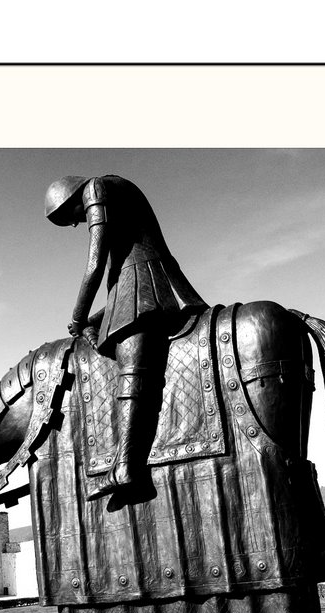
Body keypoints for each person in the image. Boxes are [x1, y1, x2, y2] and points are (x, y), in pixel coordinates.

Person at [44, 175, 207, 500]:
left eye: (73, 217)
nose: (78, 223)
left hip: (144, 278)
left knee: (133, 375)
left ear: (71, 199)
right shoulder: (111, 188)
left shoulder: (96, 189)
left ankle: (127, 467)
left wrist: (78, 316)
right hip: (131, 283)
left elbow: (95, 263)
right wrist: (87, 324)